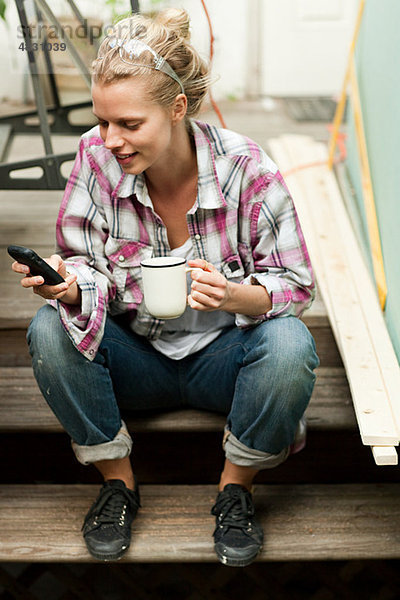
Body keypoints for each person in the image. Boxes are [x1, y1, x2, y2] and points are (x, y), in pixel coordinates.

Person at [11, 8, 319, 567]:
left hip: (224, 362)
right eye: (103, 121)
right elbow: (84, 262)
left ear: (177, 109)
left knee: (292, 345)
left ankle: (235, 491)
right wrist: (70, 289)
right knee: (47, 328)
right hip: (137, 359)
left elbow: (296, 287)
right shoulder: (95, 158)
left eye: (130, 124)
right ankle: (118, 483)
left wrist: (232, 294)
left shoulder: (247, 170)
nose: (112, 140)